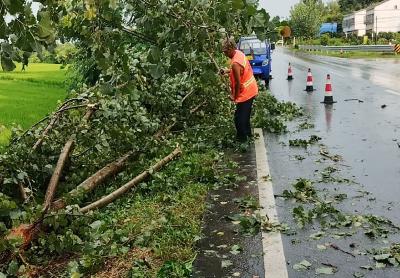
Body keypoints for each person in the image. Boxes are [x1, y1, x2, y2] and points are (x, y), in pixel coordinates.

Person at [221, 38, 258, 142]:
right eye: (223, 51)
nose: (225, 54)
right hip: (250, 88)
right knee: (244, 116)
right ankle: (248, 136)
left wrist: (234, 96)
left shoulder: (235, 63)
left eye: (226, 51)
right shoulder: (238, 53)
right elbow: (238, 71)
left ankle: (242, 140)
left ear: (231, 48)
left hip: (246, 92)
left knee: (239, 119)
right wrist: (227, 71)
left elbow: (237, 82)